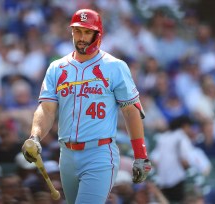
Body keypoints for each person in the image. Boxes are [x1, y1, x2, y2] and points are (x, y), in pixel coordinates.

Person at [22, 8, 151, 204]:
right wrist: (35, 136)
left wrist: (140, 155)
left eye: (87, 32)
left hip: (99, 153)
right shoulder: (57, 68)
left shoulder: (115, 66)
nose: (81, 37)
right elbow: (46, 109)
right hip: (66, 154)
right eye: (77, 31)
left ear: (97, 34)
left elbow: (130, 111)